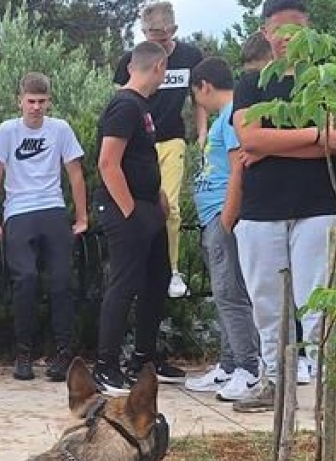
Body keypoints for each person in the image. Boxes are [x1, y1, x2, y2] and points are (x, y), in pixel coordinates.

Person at [230, 0, 336, 413]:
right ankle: (274, 382)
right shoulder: (251, 83)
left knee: (318, 300)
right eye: (279, 29)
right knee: (267, 303)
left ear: (309, 29)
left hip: (319, 205)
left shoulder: (327, 81)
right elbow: (249, 139)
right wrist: (316, 136)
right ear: (265, 33)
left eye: (296, 28)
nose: (287, 38)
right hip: (260, 210)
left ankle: (325, 388)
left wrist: (273, 145)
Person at [0, 72, 88, 383]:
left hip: (52, 207)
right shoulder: (7, 130)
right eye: (31, 101)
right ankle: (23, 352)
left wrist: (81, 217)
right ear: (20, 101)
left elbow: (75, 173)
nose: (36, 107)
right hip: (19, 210)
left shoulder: (60, 129)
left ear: (49, 102)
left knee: (61, 280)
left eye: (42, 101)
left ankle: (64, 352)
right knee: (26, 279)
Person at [92, 41, 172, 396]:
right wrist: (129, 211)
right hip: (126, 209)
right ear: (158, 67)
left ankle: (143, 357)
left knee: (157, 278)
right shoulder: (125, 105)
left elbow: (140, 158)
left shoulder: (141, 106)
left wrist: (157, 195)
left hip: (146, 205)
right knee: (124, 284)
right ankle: (105, 366)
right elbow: (108, 162)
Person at [114, 1, 205, 299]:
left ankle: (172, 269)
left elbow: (199, 99)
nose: (158, 46)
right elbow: (120, 100)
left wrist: (202, 132)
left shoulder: (190, 56)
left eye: (163, 39)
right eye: (151, 38)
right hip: (140, 143)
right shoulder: (131, 59)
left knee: (171, 206)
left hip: (172, 138)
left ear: (173, 30)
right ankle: (141, 267)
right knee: (142, 206)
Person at [183, 57, 261, 403]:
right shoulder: (223, 118)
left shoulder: (231, 116)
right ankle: (230, 364)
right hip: (213, 215)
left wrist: (227, 219)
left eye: (195, 95)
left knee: (231, 293)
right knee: (224, 293)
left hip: (222, 215)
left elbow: (237, 169)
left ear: (204, 86)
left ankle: (248, 368)